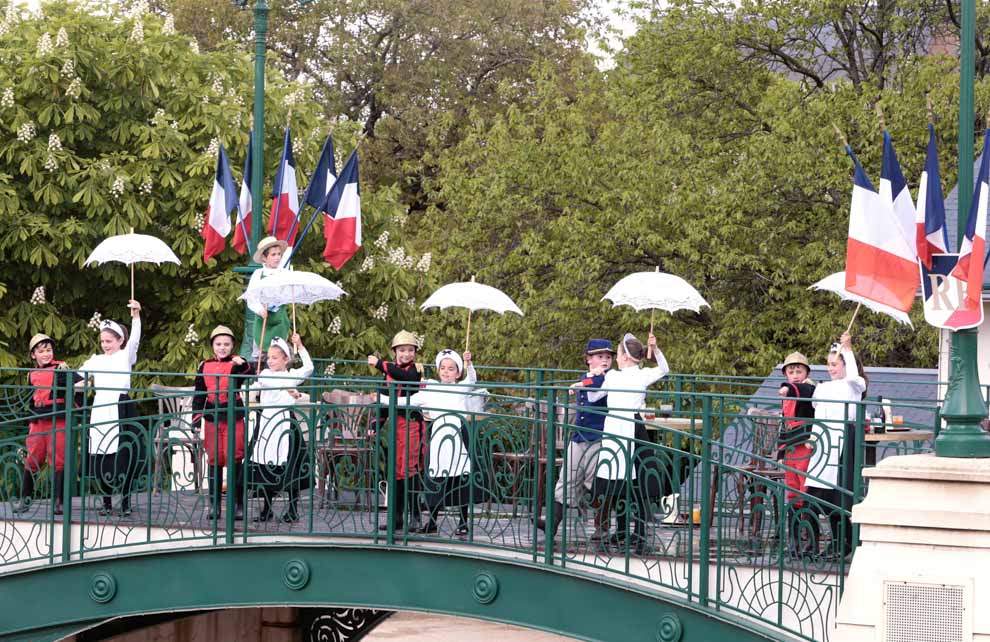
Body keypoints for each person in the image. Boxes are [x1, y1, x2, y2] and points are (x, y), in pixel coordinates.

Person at [588, 332, 669, 554]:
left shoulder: (616, 376)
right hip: (625, 426)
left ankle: (632, 531)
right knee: (627, 480)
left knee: (628, 479)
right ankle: (629, 531)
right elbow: (664, 369)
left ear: (624, 356)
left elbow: (593, 396)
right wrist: (657, 350)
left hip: (624, 427)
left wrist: (593, 377)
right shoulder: (632, 375)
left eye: (618, 352)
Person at [537, 339, 615, 540]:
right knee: (566, 480)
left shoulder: (609, 377)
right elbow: (588, 384)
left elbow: (595, 385)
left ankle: (602, 526)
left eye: (608, 357)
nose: (605, 360)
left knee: (594, 482)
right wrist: (583, 382)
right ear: (589, 359)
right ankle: (552, 524)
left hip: (598, 437)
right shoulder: (587, 376)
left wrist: (581, 384)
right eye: (599, 357)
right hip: (579, 436)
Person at [77, 300, 142, 517]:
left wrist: (135, 317)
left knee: (124, 454)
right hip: (101, 407)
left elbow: (134, 340)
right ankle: (105, 501)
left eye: (109, 340)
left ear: (119, 340)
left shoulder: (125, 356)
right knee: (101, 452)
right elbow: (78, 377)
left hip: (121, 407)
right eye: (103, 341)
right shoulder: (96, 359)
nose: (105, 344)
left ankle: (125, 501)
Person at [407, 348, 480, 536]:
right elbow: (409, 401)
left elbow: (472, 380)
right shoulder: (431, 388)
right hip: (439, 439)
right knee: (435, 478)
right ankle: (431, 521)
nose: (446, 372)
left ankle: (463, 522)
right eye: (443, 368)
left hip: (458, 436)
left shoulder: (461, 387)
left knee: (461, 478)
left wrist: (468, 363)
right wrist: (383, 398)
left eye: (451, 368)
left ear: (457, 372)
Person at [807, 331, 866, 560]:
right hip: (824, 441)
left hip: (842, 440)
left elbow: (853, 377)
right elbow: (818, 414)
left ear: (845, 365)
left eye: (835, 364)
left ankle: (846, 541)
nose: (831, 369)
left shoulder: (853, 385)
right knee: (819, 493)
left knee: (840, 494)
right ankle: (828, 541)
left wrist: (848, 349)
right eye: (828, 364)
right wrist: (813, 439)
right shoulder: (822, 388)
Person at [248, 333, 313, 523]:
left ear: (286, 359)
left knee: (291, 467)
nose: (270, 361)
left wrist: (299, 345)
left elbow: (308, 368)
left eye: (275, 358)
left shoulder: (291, 375)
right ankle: (266, 509)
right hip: (267, 423)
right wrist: (289, 389)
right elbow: (268, 382)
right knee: (265, 465)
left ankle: (292, 509)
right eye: (268, 357)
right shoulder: (266, 374)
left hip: (286, 423)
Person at [12, 334, 78, 515]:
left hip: (57, 418)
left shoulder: (61, 368)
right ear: (33, 355)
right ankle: (25, 500)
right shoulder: (31, 373)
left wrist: (71, 405)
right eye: (41, 351)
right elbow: (29, 398)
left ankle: (59, 502)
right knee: (32, 458)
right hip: (38, 420)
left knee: (58, 459)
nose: (46, 354)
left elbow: (79, 387)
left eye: (48, 350)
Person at [192, 325, 252, 521]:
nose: (222, 347)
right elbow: (199, 394)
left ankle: (238, 504)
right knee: (214, 459)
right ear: (213, 346)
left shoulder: (237, 364)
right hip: (212, 416)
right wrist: (196, 420)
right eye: (218, 344)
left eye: (226, 344)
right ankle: (214, 505)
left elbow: (249, 374)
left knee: (234, 457)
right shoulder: (204, 365)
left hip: (233, 415)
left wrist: (242, 363)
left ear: (232, 345)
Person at [367, 330, 424, 531]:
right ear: (395, 352)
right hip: (395, 428)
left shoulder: (416, 369)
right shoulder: (389, 374)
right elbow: (383, 402)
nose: (406, 354)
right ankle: (396, 517)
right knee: (395, 472)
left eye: (410, 350)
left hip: (411, 425)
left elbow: (405, 377)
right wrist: (375, 424)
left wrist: (381, 364)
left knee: (410, 470)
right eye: (402, 350)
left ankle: (415, 516)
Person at [776, 352, 816, 555]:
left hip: (805, 446)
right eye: (791, 372)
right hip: (792, 448)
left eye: (799, 371)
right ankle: (793, 540)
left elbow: (803, 390)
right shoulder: (789, 392)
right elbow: (785, 423)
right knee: (792, 493)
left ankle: (809, 541)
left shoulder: (810, 388)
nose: (795, 375)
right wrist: (781, 451)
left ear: (806, 372)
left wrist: (788, 388)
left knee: (805, 491)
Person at [245, 236, 291, 357]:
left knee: (280, 355)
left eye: (279, 254)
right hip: (263, 320)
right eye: (273, 254)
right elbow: (251, 297)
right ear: (264, 258)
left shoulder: (285, 274)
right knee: (259, 355)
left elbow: (288, 294)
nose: (277, 257)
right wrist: (259, 309)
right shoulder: (258, 274)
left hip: (280, 320)